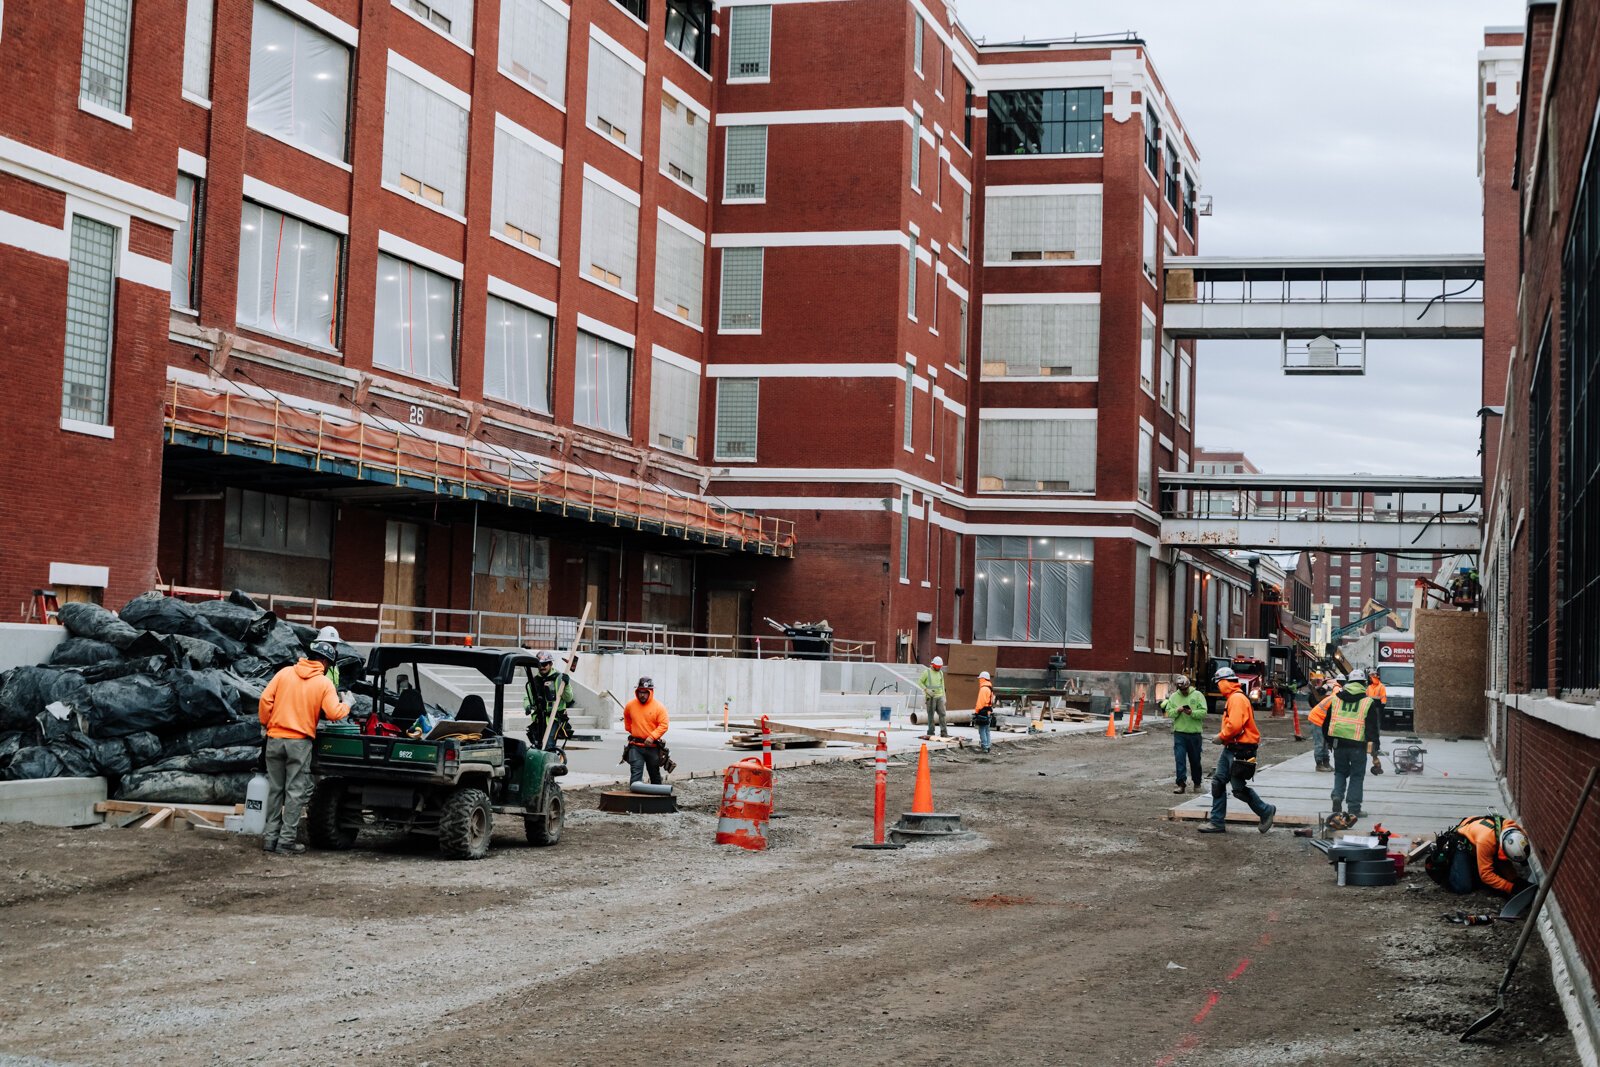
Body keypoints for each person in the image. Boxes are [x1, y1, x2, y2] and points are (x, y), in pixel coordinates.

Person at [258, 641, 350, 855]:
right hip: (299, 743)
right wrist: (347, 704)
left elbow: (265, 699)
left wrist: (266, 723)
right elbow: (334, 713)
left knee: (275, 790)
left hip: (274, 739)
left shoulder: (285, 673)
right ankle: (286, 841)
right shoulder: (323, 683)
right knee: (295, 791)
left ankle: (270, 838)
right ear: (325, 662)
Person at [1197, 666, 1277, 835]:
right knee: (1218, 783)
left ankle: (1265, 810)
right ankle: (1217, 821)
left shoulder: (1237, 699)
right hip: (1232, 748)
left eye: (1219, 683)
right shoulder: (1234, 698)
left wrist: (1221, 736)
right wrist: (1225, 739)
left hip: (1241, 749)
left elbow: (1234, 726)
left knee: (1238, 788)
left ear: (1225, 682)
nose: (1218, 686)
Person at [1322, 669, 1380, 829]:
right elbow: (1372, 729)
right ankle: (1354, 808)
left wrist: (1329, 742)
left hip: (1339, 745)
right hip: (1357, 746)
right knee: (1356, 775)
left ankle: (1337, 796)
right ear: (1363, 683)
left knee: (1340, 772)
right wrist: (1375, 750)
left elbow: (1326, 724)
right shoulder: (1367, 702)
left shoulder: (1336, 700)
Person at [1443, 815, 1530, 895]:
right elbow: (1486, 875)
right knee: (1463, 887)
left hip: (1478, 833)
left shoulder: (1517, 833)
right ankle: (1450, 871)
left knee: (1499, 878)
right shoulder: (1486, 841)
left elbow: (1503, 861)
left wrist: (1514, 879)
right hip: (1463, 841)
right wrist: (1511, 888)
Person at [1161, 675, 1208, 794]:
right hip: (1180, 734)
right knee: (1180, 759)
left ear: (1188, 686)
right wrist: (1178, 710)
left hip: (1194, 734)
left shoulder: (1198, 695)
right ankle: (1181, 784)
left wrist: (1192, 713)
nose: (1184, 692)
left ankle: (1197, 783)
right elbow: (1169, 713)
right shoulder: (1174, 697)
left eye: (1185, 689)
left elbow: (1203, 712)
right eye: (1181, 690)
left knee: (1195, 760)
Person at [622, 676, 669, 786]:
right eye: (640, 692)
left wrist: (652, 736)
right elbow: (627, 718)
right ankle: (635, 799)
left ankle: (657, 799)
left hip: (652, 747)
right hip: (635, 746)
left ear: (651, 692)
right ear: (637, 691)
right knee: (636, 773)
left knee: (654, 774)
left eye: (645, 692)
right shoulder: (630, 706)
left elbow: (664, 725)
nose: (642, 695)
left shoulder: (659, 707)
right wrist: (632, 730)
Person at [524, 650, 575, 751]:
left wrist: (567, 684)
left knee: (549, 744)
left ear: (551, 664)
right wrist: (527, 706)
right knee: (537, 744)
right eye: (540, 664)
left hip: (555, 718)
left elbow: (568, 698)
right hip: (539, 718)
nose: (542, 666)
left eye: (545, 664)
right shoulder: (534, 681)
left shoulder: (559, 678)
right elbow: (527, 697)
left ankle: (549, 764)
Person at [1306, 677, 1339, 772]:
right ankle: (1319, 764)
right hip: (1316, 720)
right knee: (1320, 743)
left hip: (1323, 721)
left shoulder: (1335, 696)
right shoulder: (1335, 700)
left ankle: (1326, 763)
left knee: (1325, 742)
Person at [919, 655, 948, 739]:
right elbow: (920, 682)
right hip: (930, 698)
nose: (939, 668)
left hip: (940, 697)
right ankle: (931, 732)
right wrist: (926, 690)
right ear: (933, 665)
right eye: (937, 667)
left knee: (942, 714)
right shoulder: (926, 672)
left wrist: (944, 697)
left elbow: (942, 685)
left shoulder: (941, 673)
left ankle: (944, 732)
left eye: (940, 667)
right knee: (931, 715)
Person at [972, 671, 996, 753]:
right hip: (988, 710)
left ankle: (984, 746)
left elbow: (980, 702)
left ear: (983, 679)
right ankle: (988, 746)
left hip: (982, 711)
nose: (979, 680)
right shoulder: (990, 688)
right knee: (987, 730)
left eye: (980, 678)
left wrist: (976, 712)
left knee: (982, 730)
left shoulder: (983, 689)